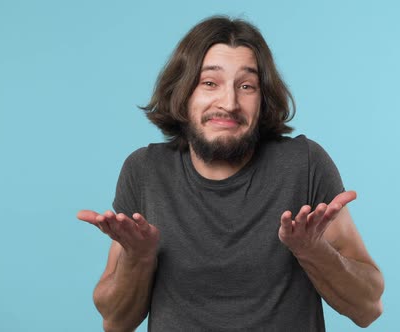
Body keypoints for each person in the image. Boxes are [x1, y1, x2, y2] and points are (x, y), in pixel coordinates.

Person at [78, 16, 384, 331]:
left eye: (246, 86)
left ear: (262, 98)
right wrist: (139, 258)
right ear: (183, 93)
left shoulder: (304, 164)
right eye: (210, 83)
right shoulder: (145, 171)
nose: (229, 102)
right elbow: (115, 320)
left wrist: (312, 250)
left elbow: (368, 307)